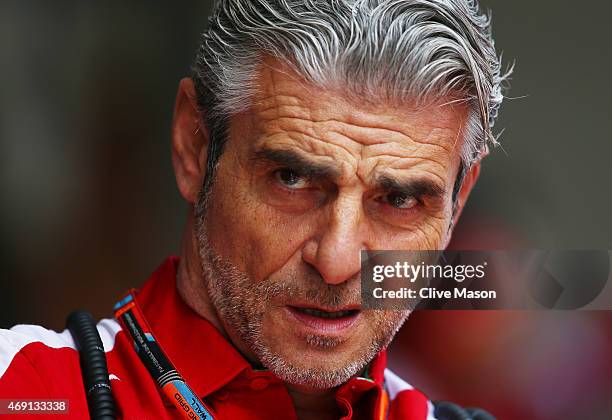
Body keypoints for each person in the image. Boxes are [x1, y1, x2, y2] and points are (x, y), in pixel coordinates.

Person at [0, 0, 508, 418]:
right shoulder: (20, 391)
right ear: (194, 148)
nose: (337, 261)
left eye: (398, 200)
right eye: (292, 179)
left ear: (456, 205)